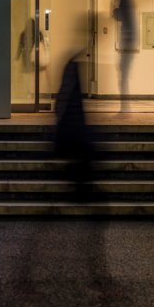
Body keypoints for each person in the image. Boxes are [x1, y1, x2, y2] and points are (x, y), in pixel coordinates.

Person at [54, 53, 94, 200]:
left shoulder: (69, 76)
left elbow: (60, 105)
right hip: (76, 134)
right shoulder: (74, 73)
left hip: (70, 134)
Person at [106, 0, 138, 111]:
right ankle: (125, 106)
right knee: (122, 72)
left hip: (128, 39)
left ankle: (125, 107)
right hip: (129, 38)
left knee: (123, 73)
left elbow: (122, 16)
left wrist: (113, 8)